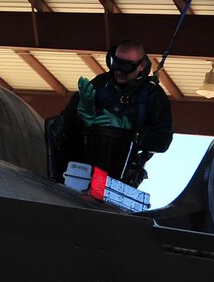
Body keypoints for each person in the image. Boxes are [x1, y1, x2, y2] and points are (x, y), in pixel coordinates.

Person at [45, 38, 175, 187]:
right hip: (83, 161)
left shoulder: (154, 97)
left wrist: (131, 131)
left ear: (141, 66)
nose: (119, 71)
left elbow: (162, 141)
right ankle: (56, 180)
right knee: (54, 125)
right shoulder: (100, 84)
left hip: (123, 172)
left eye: (126, 67)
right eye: (116, 64)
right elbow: (65, 124)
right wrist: (81, 115)